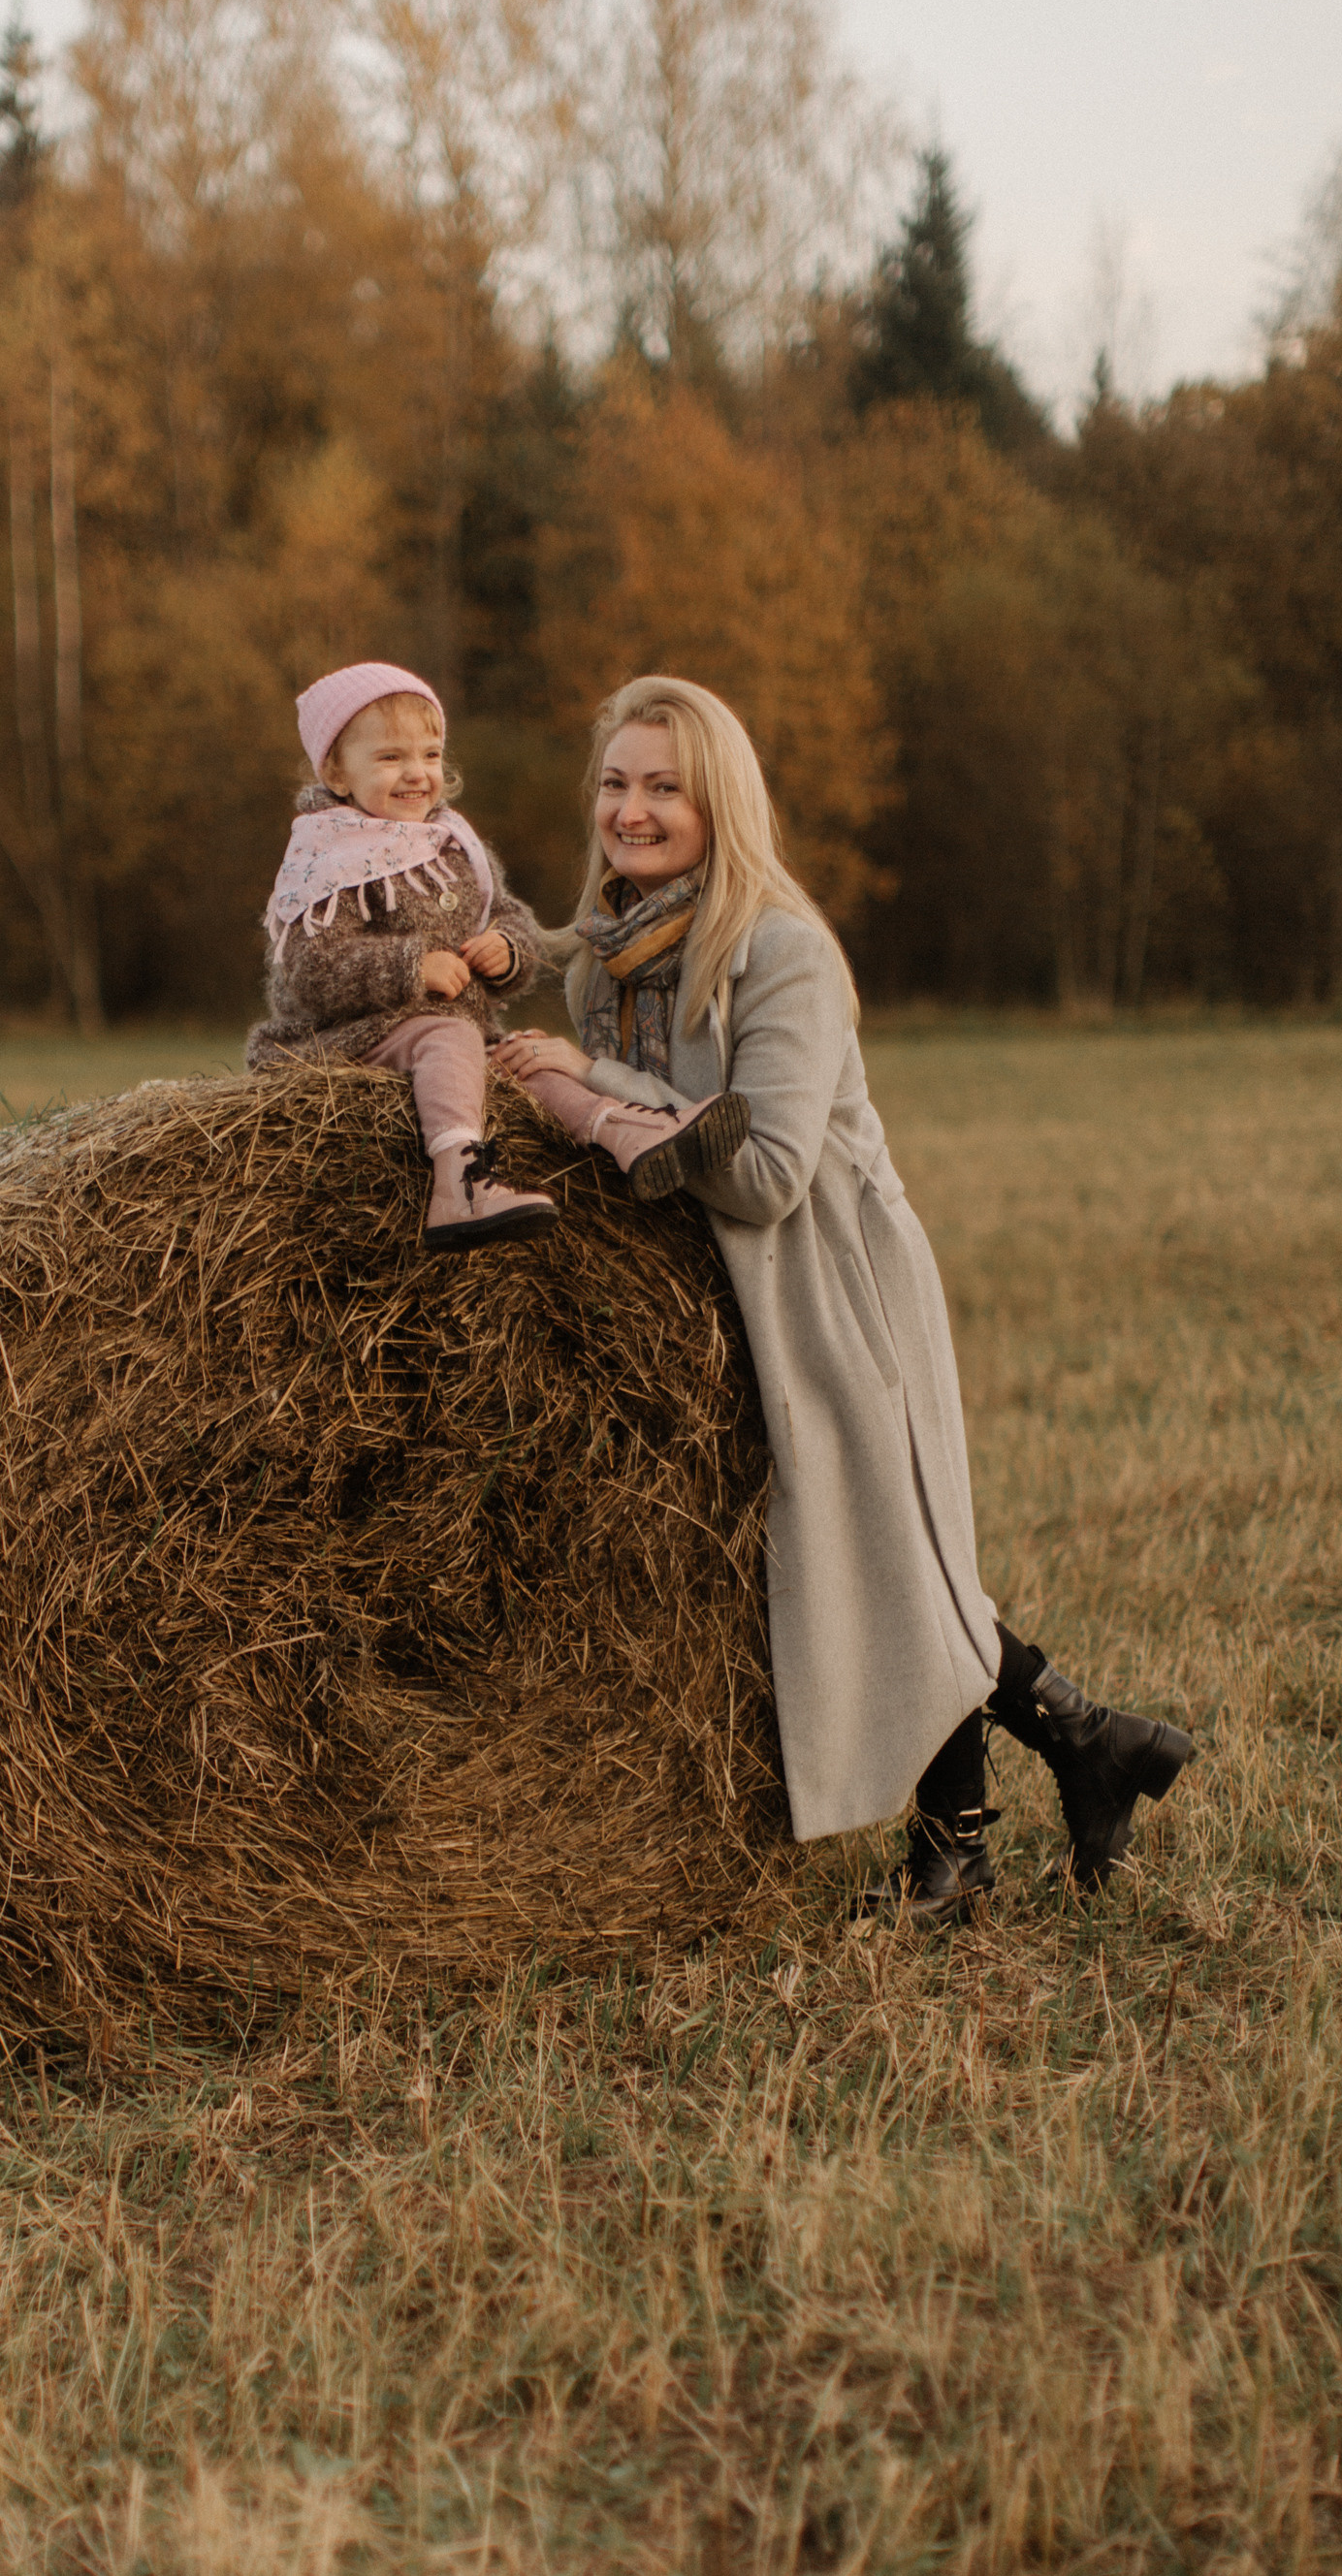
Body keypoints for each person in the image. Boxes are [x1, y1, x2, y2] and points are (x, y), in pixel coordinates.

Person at [491, 675, 1193, 1921]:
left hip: (831, 1279)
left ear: (719, 801)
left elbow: (764, 1175)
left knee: (885, 1555)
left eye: (663, 787)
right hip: (721, 1293)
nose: (630, 811)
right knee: (870, 1559)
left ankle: (963, 1851)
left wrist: (591, 1082)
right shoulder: (603, 959)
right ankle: (1087, 1746)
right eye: (614, 783)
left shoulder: (781, 952)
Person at [246, 662, 561, 1252]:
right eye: (391, 757)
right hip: (354, 1038)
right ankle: (461, 1183)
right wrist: (411, 967)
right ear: (336, 772)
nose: (417, 773)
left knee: (535, 1061)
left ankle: (629, 1135)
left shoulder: (453, 842)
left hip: (457, 1035)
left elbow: (506, 913)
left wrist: (509, 949)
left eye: (431, 755)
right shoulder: (328, 859)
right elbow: (312, 971)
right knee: (450, 1035)